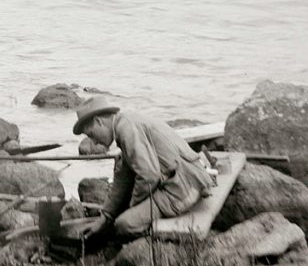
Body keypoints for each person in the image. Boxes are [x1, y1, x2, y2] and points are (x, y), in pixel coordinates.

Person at [74, 96, 213, 240]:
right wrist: (106, 216)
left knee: (124, 224)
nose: (94, 141)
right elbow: (123, 178)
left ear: (98, 121)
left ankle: (158, 240)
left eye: (91, 134)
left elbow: (149, 176)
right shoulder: (125, 122)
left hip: (183, 188)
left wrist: (132, 207)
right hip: (184, 180)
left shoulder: (127, 129)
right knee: (122, 214)